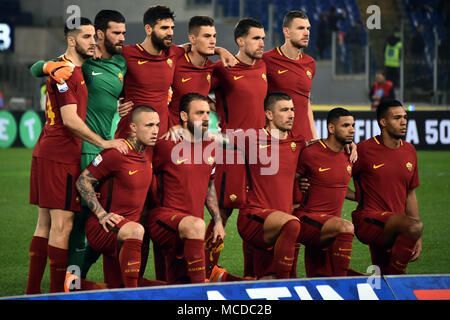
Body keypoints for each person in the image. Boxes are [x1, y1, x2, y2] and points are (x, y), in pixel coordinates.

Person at [26, 18, 127, 294]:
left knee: (44, 224)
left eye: (93, 37)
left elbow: (40, 67)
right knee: (64, 225)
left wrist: (46, 65)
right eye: (85, 37)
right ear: (71, 41)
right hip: (60, 153)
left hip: (49, 150)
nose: (92, 42)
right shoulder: (67, 72)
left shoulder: (68, 67)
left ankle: (33, 292)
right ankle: (58, 292)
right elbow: (70, 120)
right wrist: (105, 142)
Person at [204, 17, 268, 277]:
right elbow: (192, 85)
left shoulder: (265, 65)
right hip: (231, 151)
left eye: (263, 37)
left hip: (261, 152)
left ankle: (252, 275)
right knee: (224, 211)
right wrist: (217, 50)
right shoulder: (222, 68)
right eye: (256, 38)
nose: (262, 42)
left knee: (255, 213)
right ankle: (204, 271)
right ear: (240, 41)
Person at [115, 5, 235, 139]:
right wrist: (119, 101)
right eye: (164, 28)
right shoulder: (127, 53)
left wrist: (220, 50)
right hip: (131, 135)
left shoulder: (173, 53)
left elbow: (192, 46)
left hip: (162, 135)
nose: (170, 32)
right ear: (148, 29)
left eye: (172, 28)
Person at [76, 105, 160, 288]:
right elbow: (82, 181)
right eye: (149, 125)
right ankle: (133, 293)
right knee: (137, 230)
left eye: (157, 125)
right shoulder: (116, 153)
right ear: (133, 127)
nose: (155, 131)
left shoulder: (146, 156)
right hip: (105, 227)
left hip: (125, 234)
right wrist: (101, 214)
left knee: (114, 289)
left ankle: (74, 284)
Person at [147, 93, 225, 284]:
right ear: (183, 116)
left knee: (175, 286)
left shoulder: (211, 146)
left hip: (193, 229)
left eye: (207, 112)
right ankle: (201, 294)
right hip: (166, 222)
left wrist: (217, 220)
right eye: (199, 113)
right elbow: (140, 174)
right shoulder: (165, 145)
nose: (206, 117)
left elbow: (208, 184)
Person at [236, 92, 304, 279]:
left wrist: (350, 145)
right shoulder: (250, 139)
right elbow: (215, 143)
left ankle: (222, 278)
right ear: (269, 114)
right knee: (281, 279)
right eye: (284, 110)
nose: (291, 114)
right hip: (255, 216)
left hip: (279, 223)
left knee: (257, 282)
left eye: (292, 109)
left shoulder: (298, 143)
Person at [350, 99, 423, 274]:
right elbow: (335, 178)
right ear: (383, 122)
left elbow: (410, 194)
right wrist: (357, 196)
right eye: (397, 118)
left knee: (385, 276)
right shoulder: (364, 150)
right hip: (368, 220)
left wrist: (416, 236)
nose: (404, 121)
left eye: (405, 117)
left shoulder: (410, 150)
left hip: (396, 223)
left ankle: (334, 277)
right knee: (398, 278)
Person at [293, 108, 356, 277]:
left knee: (320, 278)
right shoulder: (310, 152)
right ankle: (343, 283)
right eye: (346, 125)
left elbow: (338, 185)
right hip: (307, 219)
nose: (352, 129)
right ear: (331, 128)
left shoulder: (350, 154)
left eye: (353, 125)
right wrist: (299, 183)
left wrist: (360, 197)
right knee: (346, 227)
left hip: (328, 225)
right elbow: (290, 178)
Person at [167, 15, 217, 128]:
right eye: (207, 36)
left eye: (214, 36)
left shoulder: (211, 67)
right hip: (172, 133)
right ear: (192, 39)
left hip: (197, 134)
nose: (213, 41)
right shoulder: (176, 63)